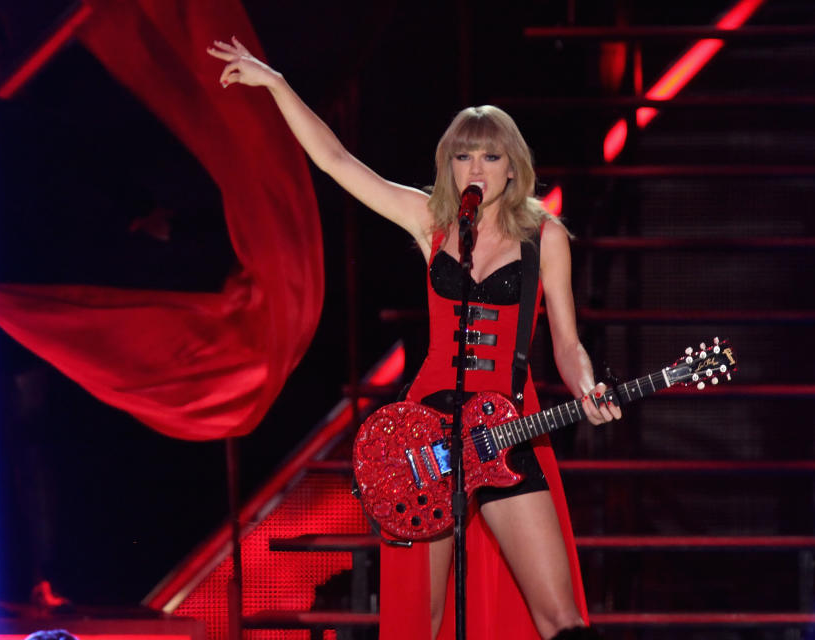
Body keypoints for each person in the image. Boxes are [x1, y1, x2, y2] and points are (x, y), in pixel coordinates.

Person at [207, 37, 619, 640]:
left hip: (508, 427)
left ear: (513, 166)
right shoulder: (432, 220)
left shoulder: (544, 237)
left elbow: (565, 340)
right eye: (463, 157)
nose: (475, 169)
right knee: (421, 621)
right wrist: (276, 83)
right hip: (423, 434)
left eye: (488, 157)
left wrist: (586, 385)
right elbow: (337, 161)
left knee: (562, 620)